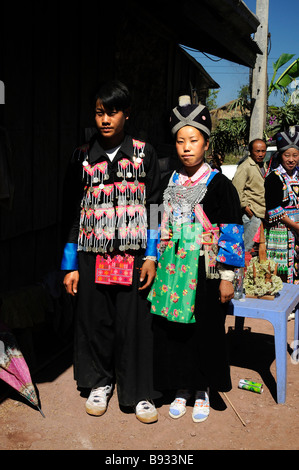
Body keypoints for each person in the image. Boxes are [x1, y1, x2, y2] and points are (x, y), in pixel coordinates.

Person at [61, 80, 161, 423]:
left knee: (134, 323)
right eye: (100, 112)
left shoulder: (145, 153)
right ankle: (99, 383)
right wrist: (70, 264)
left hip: (133, 257)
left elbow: (155, 206)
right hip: (92, 255)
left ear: (127, 114)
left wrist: (151, 255)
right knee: (96, 321)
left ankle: (138, 392)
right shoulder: (82, 156)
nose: (105, 119)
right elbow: (73, 211)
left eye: (113, 111)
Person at [148, 96, 245, 423]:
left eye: (193, 140)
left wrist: (228, 278)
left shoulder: (219, 185)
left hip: (206, 270)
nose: (186, 147)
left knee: (205, 330)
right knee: (174, 331)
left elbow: (232, 232)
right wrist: (151, 256)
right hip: (171, 271)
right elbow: (153, 219)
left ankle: (203, 389)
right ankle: (181, 387)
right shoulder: (167, 181)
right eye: (180, 141)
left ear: (205, 143)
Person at [264, 129, 299, 284]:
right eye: (287, 155)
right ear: (280, 156)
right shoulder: (274, 178)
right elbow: (273, 209)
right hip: (282, 233)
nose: (291, 160)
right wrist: (295, 226)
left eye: (295, 155)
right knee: (281, 273)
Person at [232, 139, 267, 252]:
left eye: (263, 151)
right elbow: (237, 189)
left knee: (257, 248)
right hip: (252, 213)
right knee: (247, 247)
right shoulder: (245, 166)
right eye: (257, 151)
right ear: (251, 152)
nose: (261, 154)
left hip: (261, 212)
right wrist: (247, 209)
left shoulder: (264, 165)